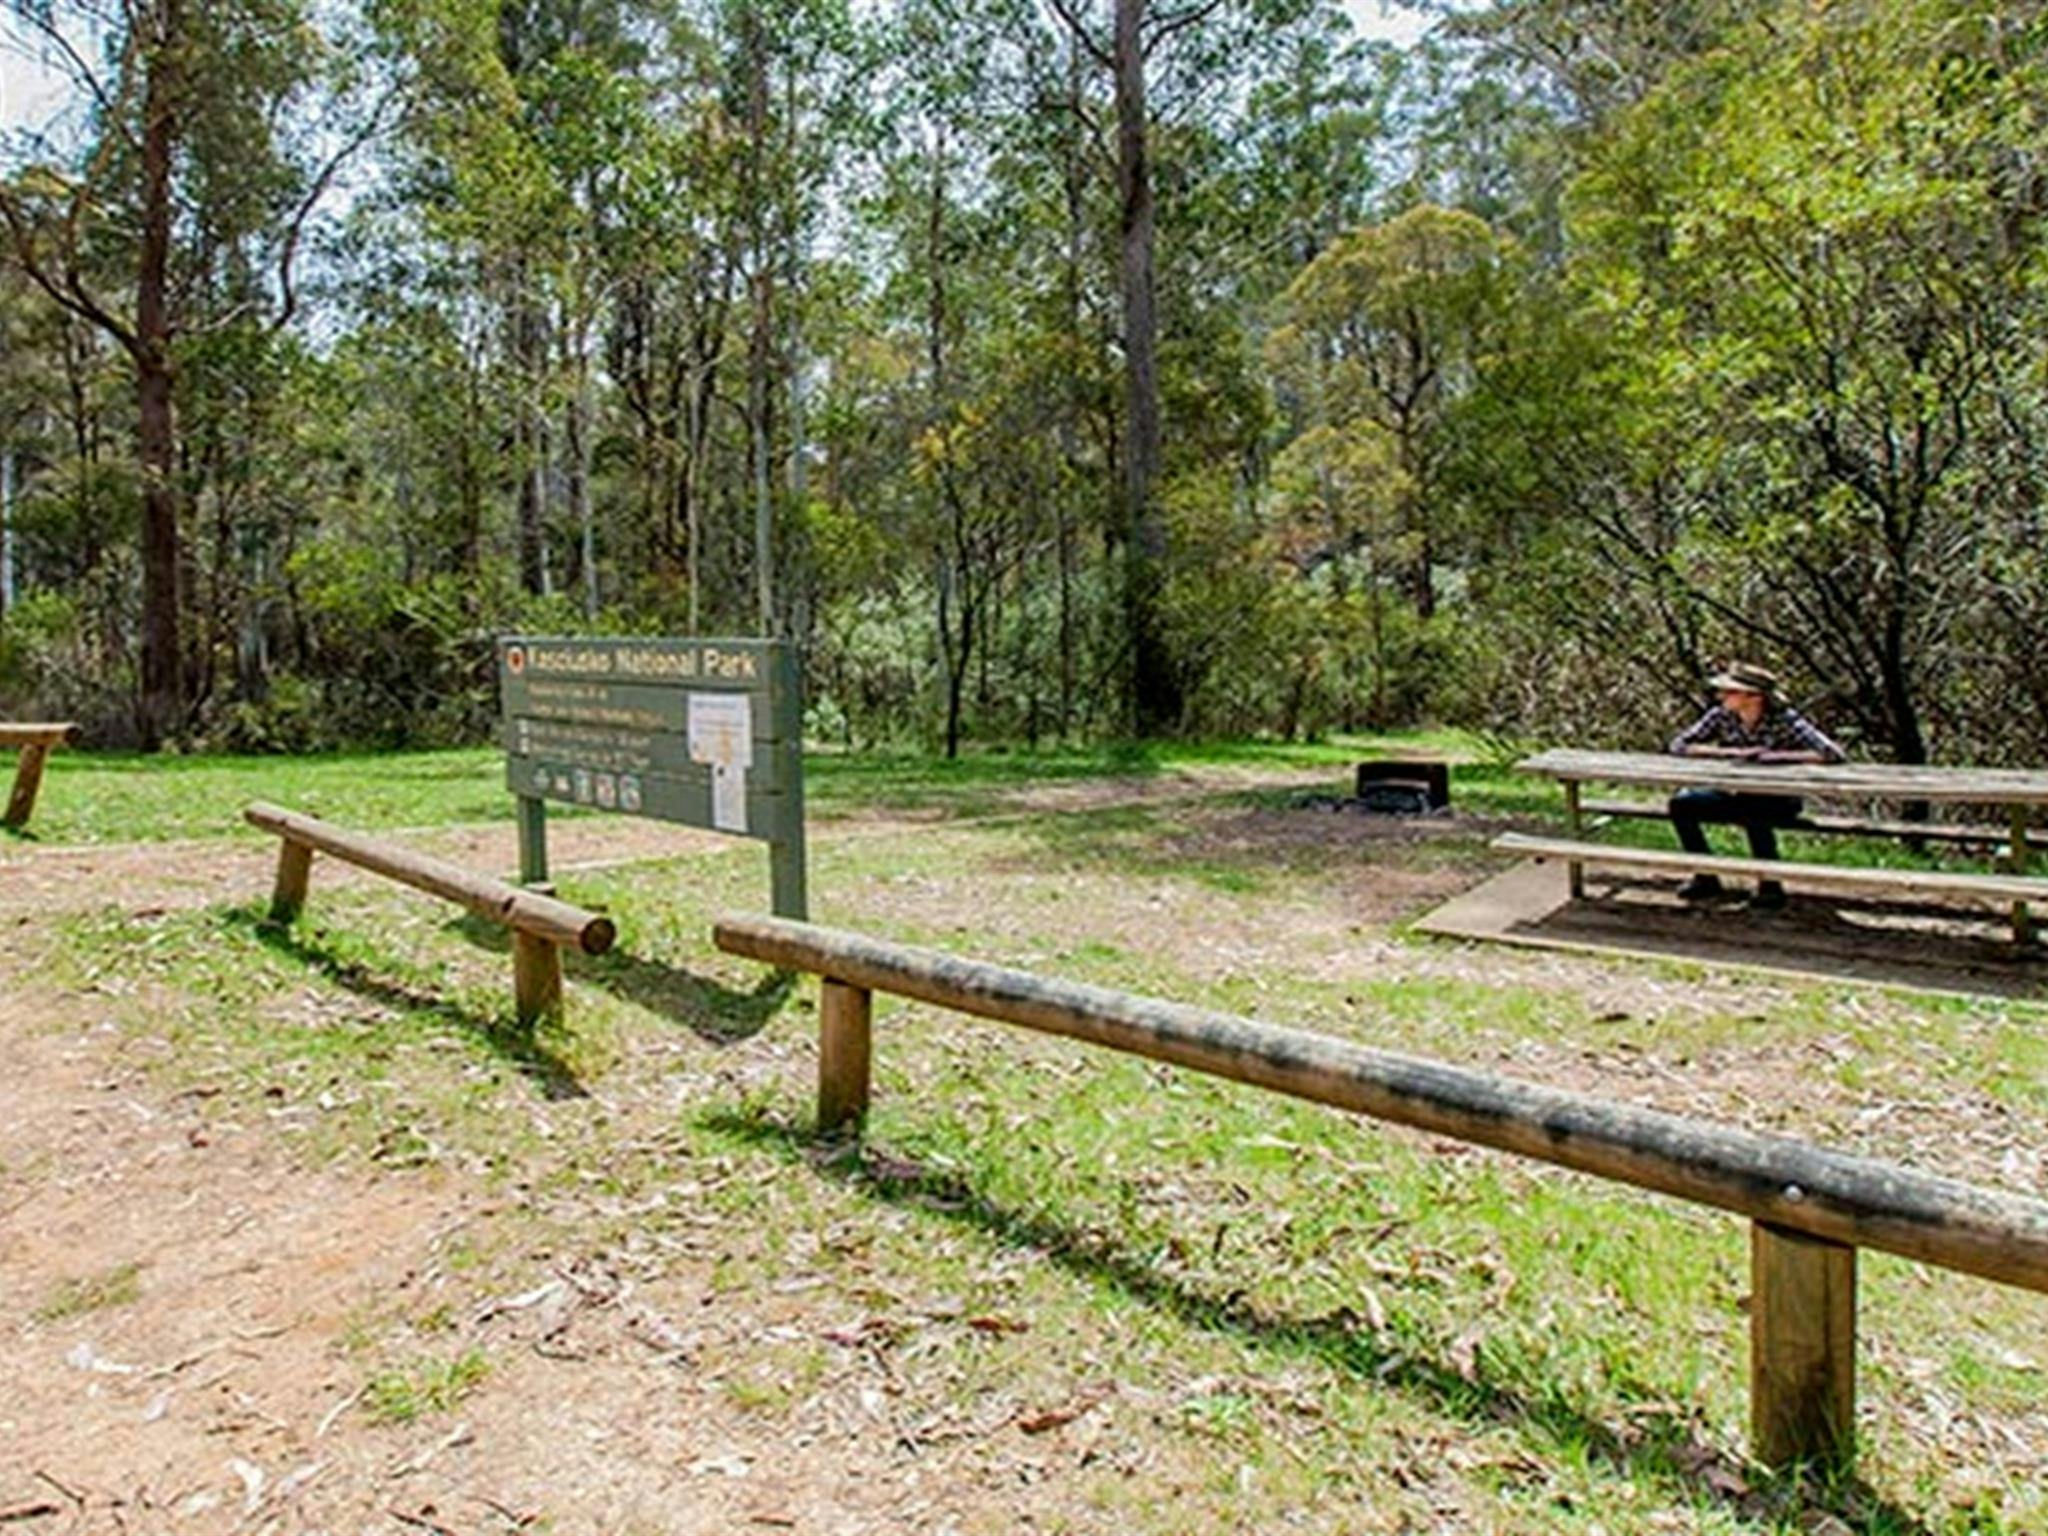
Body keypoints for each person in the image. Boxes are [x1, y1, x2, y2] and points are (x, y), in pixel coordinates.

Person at [1667, 661, 1846, 910]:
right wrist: (1731, 753)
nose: (1721, 697)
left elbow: (1831, 753)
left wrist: (1774, 756)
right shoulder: (1721, 716)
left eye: (1730, 692)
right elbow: (1679, 745)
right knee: (1682, 804)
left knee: (1755, 807)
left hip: (1779, 799)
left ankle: (1770, 885)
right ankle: (1705, 875)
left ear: (1754, 696)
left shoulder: (1784, 720)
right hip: (1733, 792)